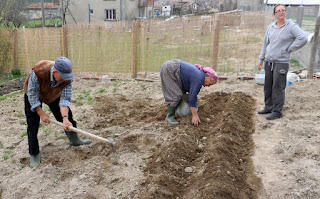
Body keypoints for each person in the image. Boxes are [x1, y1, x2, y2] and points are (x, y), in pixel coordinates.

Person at [24, 57, 91, 168]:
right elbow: (32, 94)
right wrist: (40, 113)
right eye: (63, 77)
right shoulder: (39, 70)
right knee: (32, 123)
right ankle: (34, 154)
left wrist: (64, 118)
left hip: (52, 94)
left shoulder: (67, 78)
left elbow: (65, 99)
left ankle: (74, 139)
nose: (66, 79)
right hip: (33, 94)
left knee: (68, 117)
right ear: (54, 72)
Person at [258, 4, 307, 120]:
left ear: (285, 12)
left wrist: (290, 48)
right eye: (278, 11)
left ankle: (277, 111)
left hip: (281, 62)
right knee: (268, 86)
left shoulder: (291, 26)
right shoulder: (271, 27)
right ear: (274, 13)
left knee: (278, 87)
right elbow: (265, 44)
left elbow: (303, 38)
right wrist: (261, 59)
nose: (281, 12)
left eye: (283, 10)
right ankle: (268, 107)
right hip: (269, 61)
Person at [160, 59, 218, 126]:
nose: (208, 86)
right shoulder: (199, 79)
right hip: (170, 69)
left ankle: (175, 109)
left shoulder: (200, 75)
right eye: (210, 84)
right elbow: (192, 97)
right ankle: (170, 116)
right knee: (176, 95)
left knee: (180, 92)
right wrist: (195, 115)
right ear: (208, 78)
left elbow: (191, 92)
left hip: (173, 67)